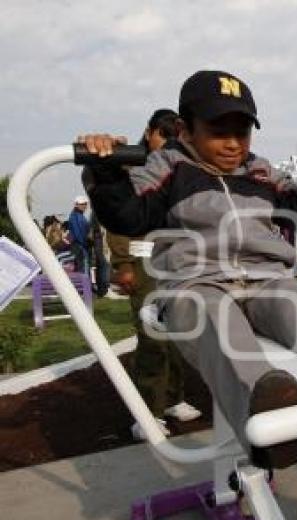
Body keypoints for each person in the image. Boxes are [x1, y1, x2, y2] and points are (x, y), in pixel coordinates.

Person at [78, 69, 297, 470]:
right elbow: (128, 215)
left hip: (264, 277)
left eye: (243, 132)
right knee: (218, 322)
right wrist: (106, 170)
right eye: (219, 132)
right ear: (185, 130)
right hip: (196, 280)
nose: (234, 144)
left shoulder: (259, 171)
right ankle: (265, 417)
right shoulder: (168, 167)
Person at [103, 108, 202, 440]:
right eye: (163, 134)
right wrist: (123, 265)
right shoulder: (132, 167)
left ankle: (172, 399)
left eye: (174, 136)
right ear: (148, 133)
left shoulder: (176, 168)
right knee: (151, 338)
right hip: (142, 263)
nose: (168, 143)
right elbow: (116, 223)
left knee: (176, 336)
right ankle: (147, 412)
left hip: (173, 262)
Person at [68, 195, 90, 274]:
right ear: (76, 204)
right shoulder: (75, 216)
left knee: (81, 266)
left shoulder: (80, 216)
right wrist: (84, 243)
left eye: (85, 204)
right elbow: (78, 234)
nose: (84, 206)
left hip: (80, 245)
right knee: (84, 266)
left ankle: (84, 284)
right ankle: (85, 284)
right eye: (81, 204)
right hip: (79, 245)